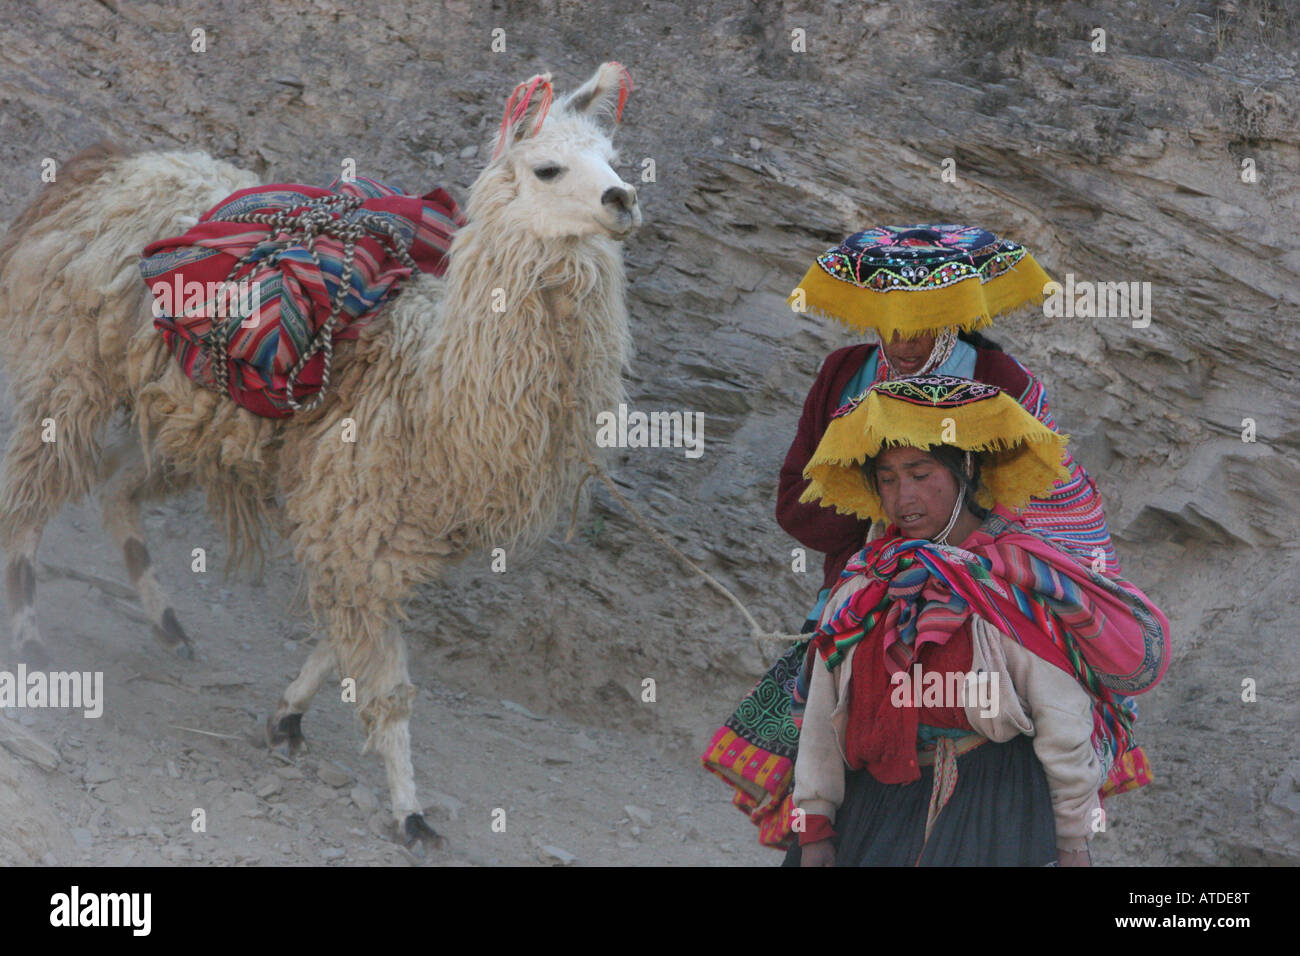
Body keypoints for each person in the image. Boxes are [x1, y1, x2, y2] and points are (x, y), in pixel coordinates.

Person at [701, 224, 1128, 849]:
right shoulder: (843, 372)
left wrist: (958, 552)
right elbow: (799, 499)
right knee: (822, 707)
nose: (902, 343)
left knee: (1040, 698)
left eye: (921, 325)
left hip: (982, 586)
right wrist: (884, 511)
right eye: (890, 324)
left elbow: (1035, 487)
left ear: (953, 315)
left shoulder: (1000, 377)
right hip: (869, 585)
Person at [790, 375, 1170, 866]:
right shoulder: (866, 586)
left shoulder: (1008, 583)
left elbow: (1062, 719)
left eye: (921, 473)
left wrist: (1073, 841)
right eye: (887, 478)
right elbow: (823, 715)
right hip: (876, 809)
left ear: (964, 468)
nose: (903, 496)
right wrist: (815, 825)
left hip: (993, 809)